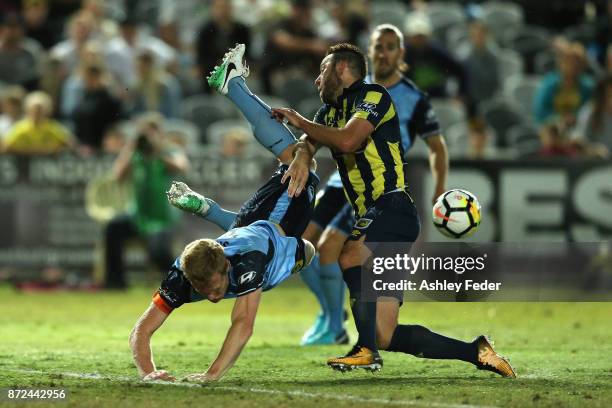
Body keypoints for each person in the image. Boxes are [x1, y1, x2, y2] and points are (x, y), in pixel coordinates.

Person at [269, 42, 514, 377]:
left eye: (322, 70)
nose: (316, 80)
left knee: (350, 253)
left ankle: (364, 349)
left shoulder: (373, 96)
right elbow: (309, 143)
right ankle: (477, 351)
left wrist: (297, 121)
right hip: (377, 216)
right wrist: (300, 154)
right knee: (386, 333)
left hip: (392, 206)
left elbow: (346, 141)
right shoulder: (327, 113)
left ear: (342, 68)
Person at [130, 48, 320, 380]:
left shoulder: (247, 262)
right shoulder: (183, 275)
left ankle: (232, 85)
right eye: (204, 291)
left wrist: (211, 374)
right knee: (292, 183)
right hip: (251, 234)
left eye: (215, 288)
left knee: (299, 163)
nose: (212, 296)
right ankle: (206, 205)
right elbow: (142, 330)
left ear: (226, 267)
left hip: (274, 234)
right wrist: (149, 372)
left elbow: (243, 324)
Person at [298, 23, 450, 346]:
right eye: (378, 46)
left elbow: (437, 147)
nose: (383, 52)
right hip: (343, 181)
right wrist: (301, 153)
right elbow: (315, 135)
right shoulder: (346, 87)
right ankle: (332, 315)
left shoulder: (413, 98)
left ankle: (347, 329)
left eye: (390, 46)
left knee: (334, 249)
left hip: (379, 186)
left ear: (401, 53)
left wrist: (439, 193)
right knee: (303, 246)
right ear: (369, 50)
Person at [104, 113, 188, 289]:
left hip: (162, 216)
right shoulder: (136, 152)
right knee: (112, 229)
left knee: (158, 253)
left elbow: (182, 167)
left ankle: (181, 283)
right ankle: (115, 283)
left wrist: (157, 152)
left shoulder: (168, 150)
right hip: (138, 215)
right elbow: (117, 176)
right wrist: (130, 150)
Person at [3, 91, 72, 154]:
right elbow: (5, 148)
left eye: (40, 110)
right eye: (34, 110)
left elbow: (70, 144)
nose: (37, 114)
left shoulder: (53, 128)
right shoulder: (20, 129)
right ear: (28, 110)